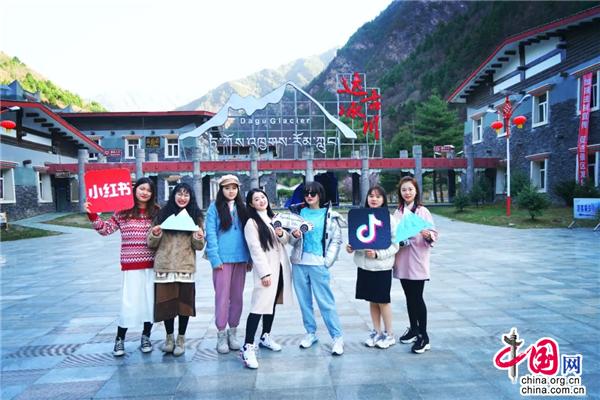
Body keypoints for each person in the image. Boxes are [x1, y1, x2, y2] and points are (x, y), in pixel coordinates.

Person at [85, 177, 159, 357]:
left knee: (150, 303)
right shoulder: (122, 211)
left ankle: (146, 337)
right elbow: (105, 230)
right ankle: (120, 339)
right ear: (134, 189)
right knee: (129, 303)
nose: (145, 193)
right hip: (131, 265)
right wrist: (92, 214)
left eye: (149, 190)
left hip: (153, 265)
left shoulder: (157, 212)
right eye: (142, 188)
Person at [148, 182, 205, 357]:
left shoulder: (196, 216)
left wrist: (199, 237)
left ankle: (181, 339)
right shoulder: (162, 214)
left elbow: (199, 246)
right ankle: (169, 338)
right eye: (179, 194)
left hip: (185, 267)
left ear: (191, 197)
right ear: (173, 195)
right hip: (164, 266)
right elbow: (151, 243)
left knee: (184, 306)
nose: (182, 197)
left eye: (186, 194)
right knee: (166, 305)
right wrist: (155, 234)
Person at [289, 181, 345, 355]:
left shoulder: (330, 215)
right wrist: (294, 235)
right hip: (299, 263)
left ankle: (337, 337)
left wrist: (327, 261)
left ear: (320, 195)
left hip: (318, 264)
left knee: (325, 302)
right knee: (304, 302)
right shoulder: (298, 214)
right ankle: (310, 333)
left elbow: (336, 240)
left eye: (313, 193)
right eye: (306, 193)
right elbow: (291, 240)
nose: (309, 196)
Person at [240, 189, 293, 369]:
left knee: (271, 304)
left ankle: (265, 336)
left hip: (280, 267)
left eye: (263, 197)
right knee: (259, 306)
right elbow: (255, 249)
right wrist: (264, 273)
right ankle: (248, 346)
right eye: (256, 199)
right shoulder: (251, 223)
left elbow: (285, 241)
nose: (261, 201)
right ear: (251, 204)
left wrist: (281, 233)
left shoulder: (274, 218)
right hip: (267, 270)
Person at [346, 185, 399, 349]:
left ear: (383, 200)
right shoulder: (361, 217)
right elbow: (358, 239)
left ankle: (390, 334)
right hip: (365, 267)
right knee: (372, 300)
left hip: (381, 267)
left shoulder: (389, 219)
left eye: (378, 196)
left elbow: (395, 245)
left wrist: (377, 254)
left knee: (383, 301)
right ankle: (377, 332)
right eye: (371, 196)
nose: (374, 199)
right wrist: (352, 247)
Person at [205, 174, 250, 354]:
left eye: (234, 188)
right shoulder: (214, 208)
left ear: (238, 189)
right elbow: (211, 234)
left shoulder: (243, 207)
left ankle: (233, 332)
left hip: (241, 258)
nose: (231, 191)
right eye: (227, 188)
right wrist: (215, 258)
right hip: (222, 260)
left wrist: (250, 259)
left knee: (237, 297)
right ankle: (221, 334)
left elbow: (250, 234)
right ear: (221, 190)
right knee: (222, 297)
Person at [393, 176, 438, 354]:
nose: (407, 192)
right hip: (402, 259)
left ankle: (424, 337)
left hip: (417, 259)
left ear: (416, 191)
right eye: (404, 189)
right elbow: (393, 233)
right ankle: (413, 329)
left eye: (410, 189)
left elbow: (433, 234)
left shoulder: (422, 211)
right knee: (409, 297)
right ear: (400, 192)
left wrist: (428, 234)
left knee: (417, 298)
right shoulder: (398, 212)